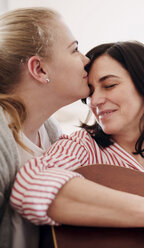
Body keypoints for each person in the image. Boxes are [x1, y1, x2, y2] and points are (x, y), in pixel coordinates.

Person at [10, 41, 144, 246]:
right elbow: (29, 183)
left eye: (109, 85)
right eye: (91, 91)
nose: (94, 101)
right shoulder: (82, 146)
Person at [0, 7, 90, 248]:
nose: (86, 60)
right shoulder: (1, 139)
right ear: (39, 70)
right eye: (74, 49)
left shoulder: (50, 131)